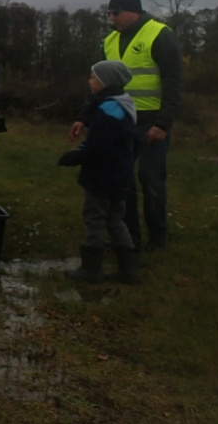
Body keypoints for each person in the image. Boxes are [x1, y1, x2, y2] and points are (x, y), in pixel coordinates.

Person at [70, 0, 183, 251]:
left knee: (150, 179)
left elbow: (174, 83)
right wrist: (84, 117)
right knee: (122, 181)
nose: (112, 18)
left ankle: (158, 236)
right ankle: (130, 238)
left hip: (151, 121)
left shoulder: (160, 35)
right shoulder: (109, 41)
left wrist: (162, 123)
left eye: (116, 13)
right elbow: (98, 85)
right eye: (109, 14)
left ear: (134, 11)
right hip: (119, 123)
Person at [58, 60, 141, 284]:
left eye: (93, 77)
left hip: (102, 176)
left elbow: (97, 146)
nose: (89, 81)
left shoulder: (108, 110)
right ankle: (129, 270)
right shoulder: (122, 103)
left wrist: (74, 157)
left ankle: (91, 269)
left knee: (94, 219)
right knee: (116, 220)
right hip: (120, 174)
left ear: (105, 82)